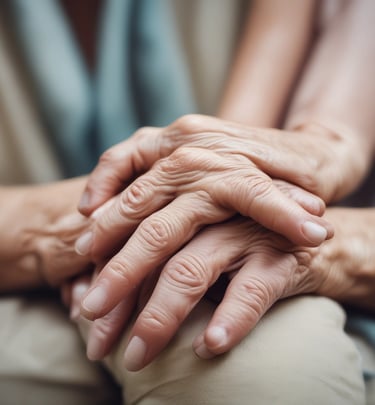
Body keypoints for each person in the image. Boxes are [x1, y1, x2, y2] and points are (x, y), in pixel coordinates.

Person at [0, 1, 373, 405]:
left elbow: (258, 145)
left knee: (258, 369)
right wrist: (124, 218)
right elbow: (232, 156)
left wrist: (318, 167)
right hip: (38, 287)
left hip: (277, 269)